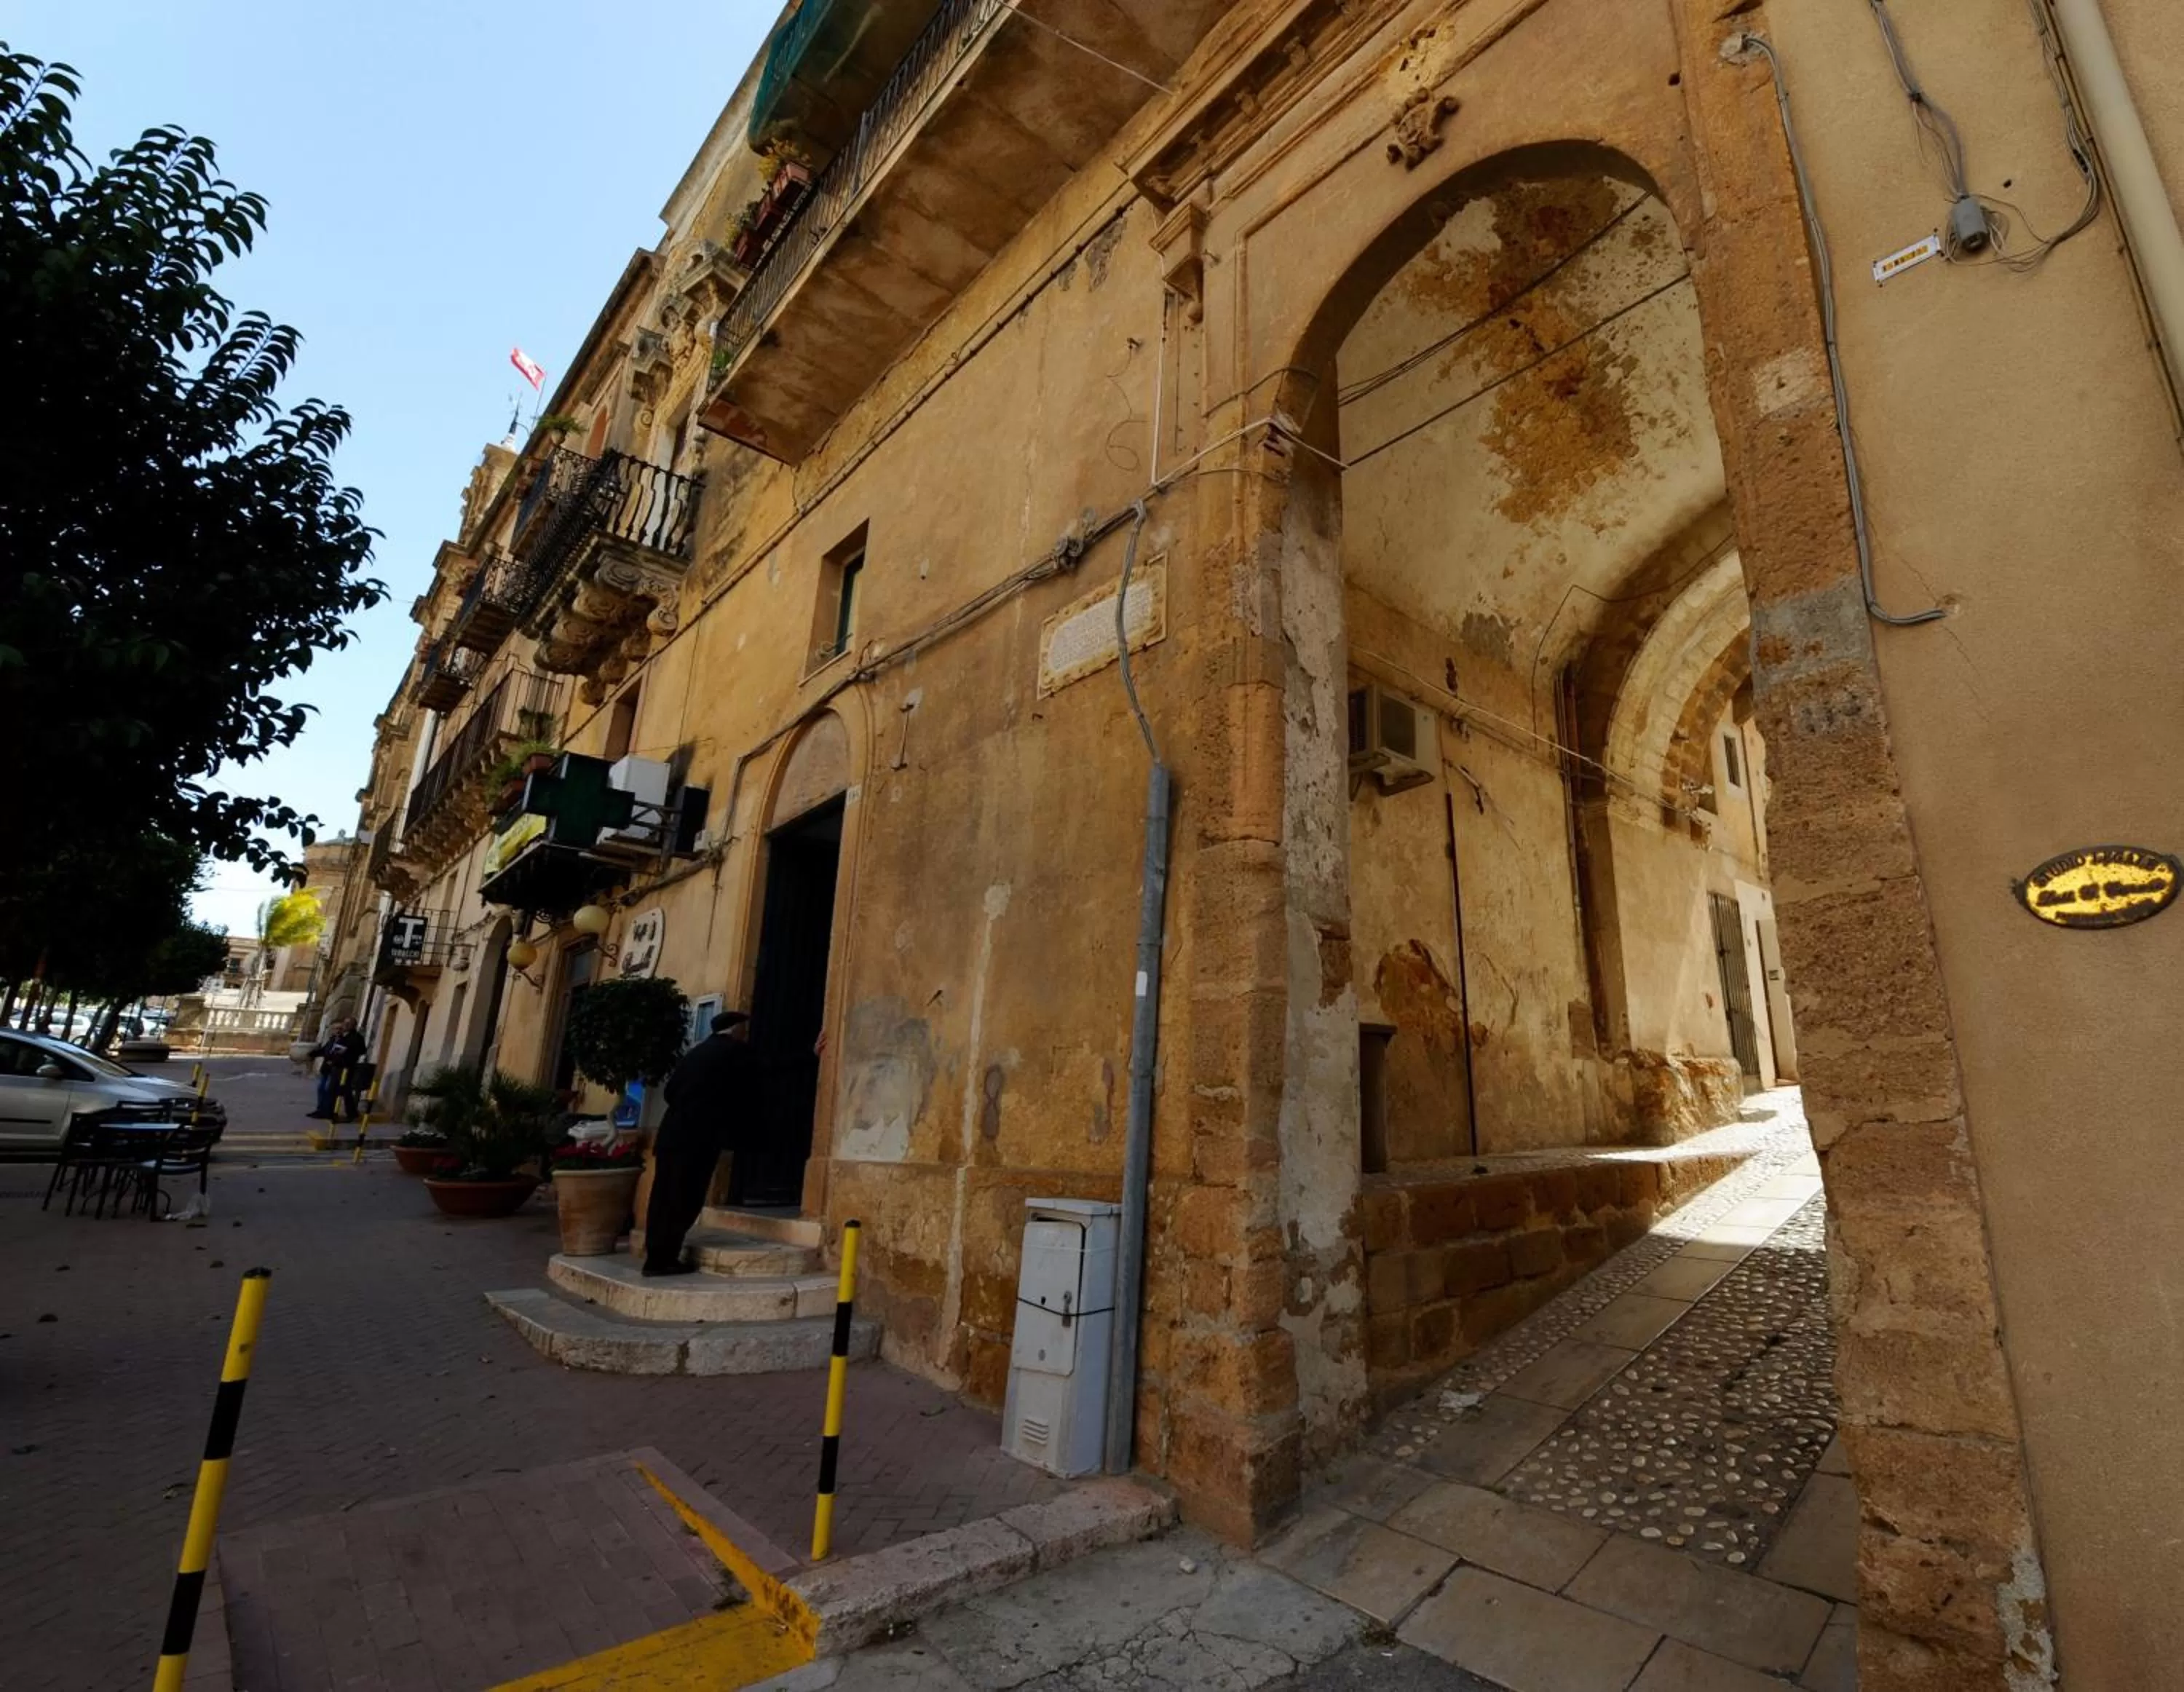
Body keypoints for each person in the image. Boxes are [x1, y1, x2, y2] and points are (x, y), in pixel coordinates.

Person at [643, 1011, 755, 1276]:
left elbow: (670, 1092)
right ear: (736, 1029)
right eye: (744, 1028)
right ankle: (665, 1260)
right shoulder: (733, 1052)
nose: (746, 1033)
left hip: (672, 1135)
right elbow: (760, 1074)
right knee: (685, 1198)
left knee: (663, 1198)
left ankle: (657, 1257)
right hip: (698, 1139)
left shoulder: (695, 1053)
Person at [307, 1019, 365, 1120]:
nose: (345, 1026)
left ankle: (342, 1113)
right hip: (333, 1067)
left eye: (348, 1024)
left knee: (340, 1091)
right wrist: (313, 1054)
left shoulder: (356, 1038)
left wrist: (346, 1054)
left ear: (354, 1025)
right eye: (345, 1024)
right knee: (329, 1090)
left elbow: (360, 1051)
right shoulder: (338, 1038)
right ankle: (325, 1111)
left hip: (345, 1068)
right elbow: (328, 1050)